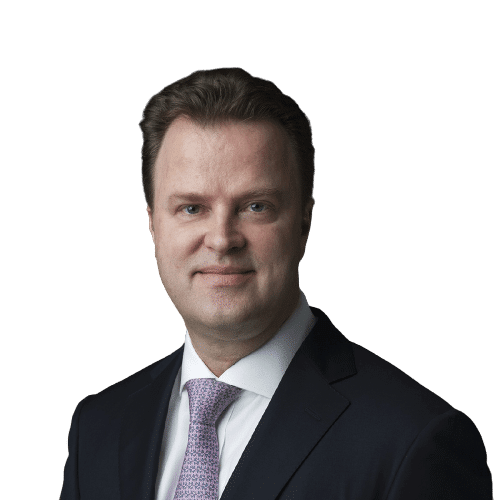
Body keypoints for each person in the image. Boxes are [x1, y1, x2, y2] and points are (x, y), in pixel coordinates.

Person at [59, 67, 492, 499]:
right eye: (191, 208)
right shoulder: (97, 427)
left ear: (304, 222)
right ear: (153, 225)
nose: (222, 239)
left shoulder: (414, 440)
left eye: (256, 206)